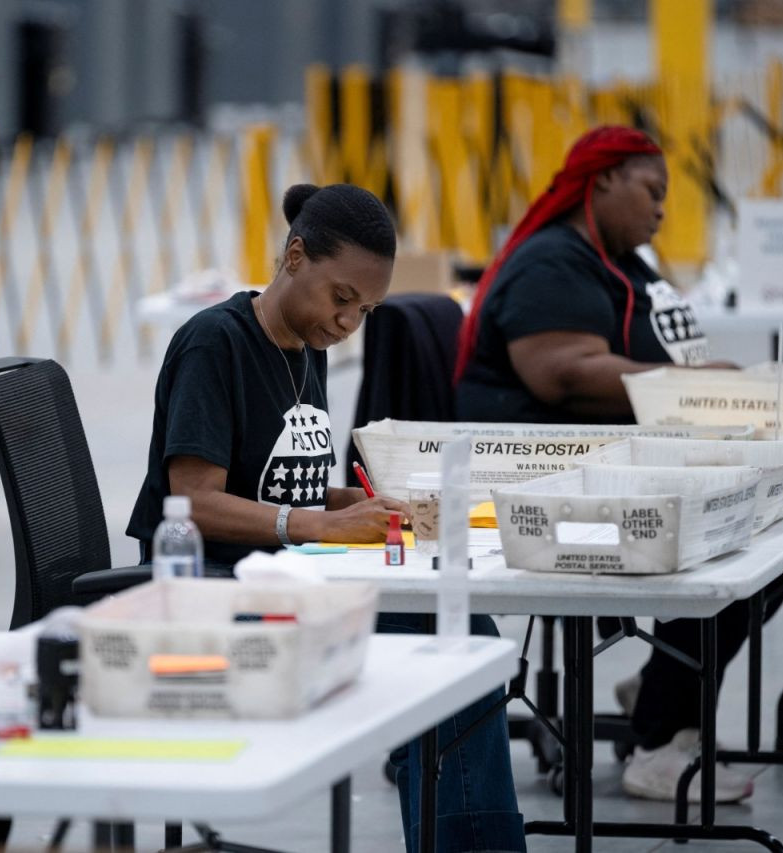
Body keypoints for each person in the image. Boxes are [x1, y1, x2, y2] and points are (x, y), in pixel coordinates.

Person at [128, 183, 526, 852]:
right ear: (294, 257)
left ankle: (459, 831)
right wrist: (318, 525)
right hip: (213, 586)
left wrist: (357, 503)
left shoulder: (304, 347)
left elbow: (284, 484)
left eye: (365, 310)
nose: (348, 323)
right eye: (341, 298)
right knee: (454, 639)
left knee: (466, 635)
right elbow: (193, 499)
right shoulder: (213, 344)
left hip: (289, 573)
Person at [454, 125, 783, 803]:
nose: (663, 208)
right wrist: (691, 387)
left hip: (617, 464)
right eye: (652, 189)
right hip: (546, 484)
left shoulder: (624, 262)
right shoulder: (553, 264)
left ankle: (666, 686)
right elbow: (563, 375)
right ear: (601, 179)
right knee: (726, 547)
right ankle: (661, 739)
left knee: (768, 536)